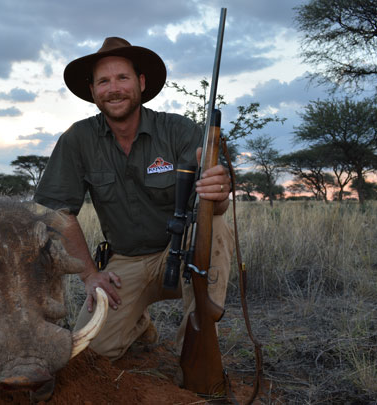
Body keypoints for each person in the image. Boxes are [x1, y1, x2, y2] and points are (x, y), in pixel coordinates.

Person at [34, 37, 234, 363]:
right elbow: (57, 212)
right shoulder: (76, 139)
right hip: (125, 261)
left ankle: (196, 358)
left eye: (123, 78)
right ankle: (138, 325)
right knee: (87, 356)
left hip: (182, 253)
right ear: (93, 91)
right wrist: (89, 275)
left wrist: (219, 193)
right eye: (104, 81)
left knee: (216, 226)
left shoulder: (179, 130)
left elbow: (215, 202)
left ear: (140, 83)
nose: (114, 88)